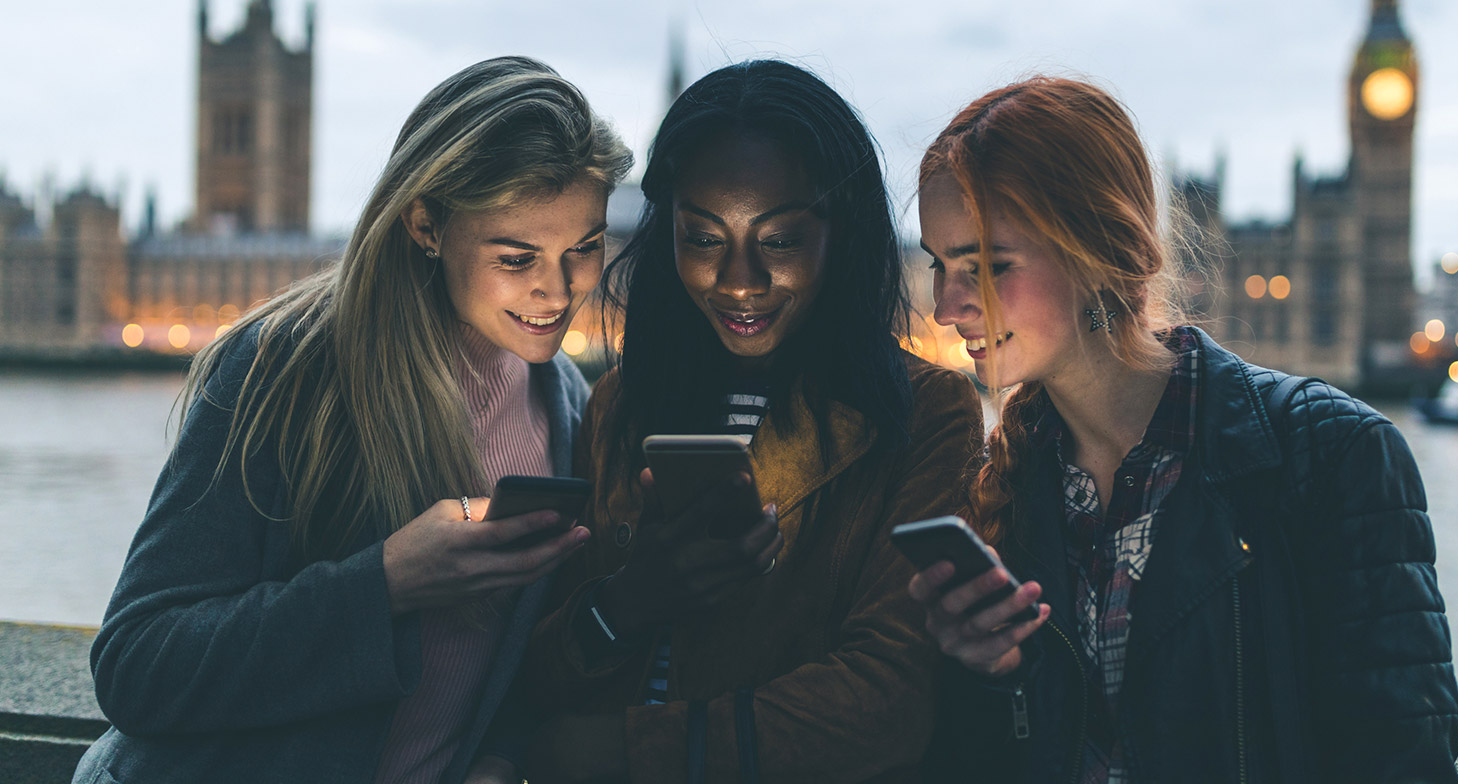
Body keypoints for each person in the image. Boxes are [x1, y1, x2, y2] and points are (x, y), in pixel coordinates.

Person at [73, 56, 633, 784]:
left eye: (584, 249)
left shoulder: (565, 404)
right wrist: (387, 583)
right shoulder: (285, 368)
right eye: (518, 255)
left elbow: (514, 664)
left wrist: (497, 757)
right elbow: (136, 666)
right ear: (426, 223)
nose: (559, 291)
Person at [908, 76, 1458, 783]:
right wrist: (986, 675)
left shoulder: (1334, 457)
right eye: (939, 265)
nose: (949, 306)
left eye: (986, 266)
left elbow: (1401, 763)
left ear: (1101, 250)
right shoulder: (1003, 485)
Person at [471, 59, 983, 784]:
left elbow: (887, 699)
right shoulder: (619, 405)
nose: (739, 281)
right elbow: (539, 672)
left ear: (842, 234)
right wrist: (629, 600)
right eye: (704, 238)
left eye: (777, 241)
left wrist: (615, 752)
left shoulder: (928, 412)